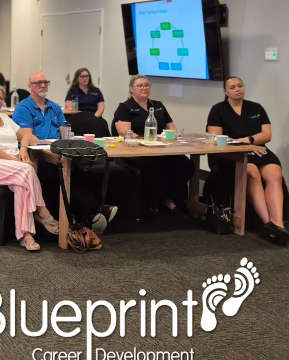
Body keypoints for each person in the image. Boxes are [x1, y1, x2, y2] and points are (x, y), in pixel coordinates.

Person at [13, 72, 117, 233]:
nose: (43, 85)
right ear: (30, 86)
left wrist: (70, 142)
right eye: (38, 83)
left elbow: (65, 130)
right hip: (37, 154)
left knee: (84, 167)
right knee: (62, 172)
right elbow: (27, 136)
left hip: (58, 150)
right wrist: (50, 145)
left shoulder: (54, 107)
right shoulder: (23, 108)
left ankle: (89, 215)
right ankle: (91, 215)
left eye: (45, 82)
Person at [0, 85, 58, 251]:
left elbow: (25, 134)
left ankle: (25, 235)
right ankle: (42, 211)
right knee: (27, 170)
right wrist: (17, 161)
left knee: (21, 185)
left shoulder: (5, 118)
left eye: (1, 98)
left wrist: (23, 149)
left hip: (14, 167)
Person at [206, 76, 288, 243]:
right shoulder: (218, 109)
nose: (237, 89)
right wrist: (243, 145)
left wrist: (249, 141)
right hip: (232, 153)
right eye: (232, 87)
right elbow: (216, 138)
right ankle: (267, 223)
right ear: (226, 91)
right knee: (251, 171)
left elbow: (267, 135)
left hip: (258, 149)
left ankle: (278, 223)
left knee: (274, 173)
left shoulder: (256, 107)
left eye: (240, 86)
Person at [113, 74, 193, 214]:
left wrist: (164, 138)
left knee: (186, 164)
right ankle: (160, 200)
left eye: (146, 85)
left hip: (161, 148)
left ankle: (172, 197)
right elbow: (125, 132)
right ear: (131, 89)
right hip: (137, 152)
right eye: (140, 85)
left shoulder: (158, 105)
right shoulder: (125, 107)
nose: (144, 88)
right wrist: (145, 140)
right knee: (155, 166)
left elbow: (171, 128)